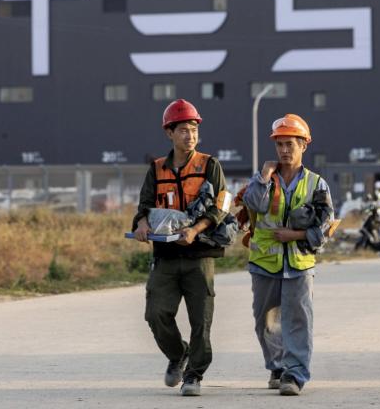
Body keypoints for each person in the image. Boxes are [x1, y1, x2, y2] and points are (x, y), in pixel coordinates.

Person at [131, 99, 227, 397]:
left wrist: (195, 229)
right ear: (169, 133)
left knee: (201, 321)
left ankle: (194, 376)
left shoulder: (209, 165)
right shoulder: (156, 169)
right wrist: (141, 225)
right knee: (156, 314)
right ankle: (178, 354)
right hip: (166, 256)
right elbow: (144, 206)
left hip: (199, 256)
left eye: (194, 129)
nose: (190, 135)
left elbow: (221, 205)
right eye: (183, 129)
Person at [242, 113, 334, 396]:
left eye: (290, 144)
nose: (284, 150)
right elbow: (252, 206)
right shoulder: (265, 180)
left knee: (298, 321)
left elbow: (326, 226)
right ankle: (277, 367)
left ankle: (295, 375)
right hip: (264, 264)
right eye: (279, 144)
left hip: (299, 264)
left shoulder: (316, 184)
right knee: (264, 320)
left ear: (304, 145)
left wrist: (295, 235)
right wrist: (263, 177)